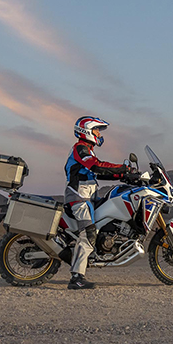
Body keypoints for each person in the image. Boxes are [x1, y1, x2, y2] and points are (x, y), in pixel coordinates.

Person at [64, 116, 135, 290]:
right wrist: (123, 168)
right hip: (78, 197)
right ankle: (76, 278)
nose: (98, 134)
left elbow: (100, 173)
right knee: (88, 233)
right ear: (86, 130)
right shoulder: (80, 149)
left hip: (88, 197)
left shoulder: (87, 150)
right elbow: (97, 167)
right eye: (96, 130)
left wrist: (124, 175)